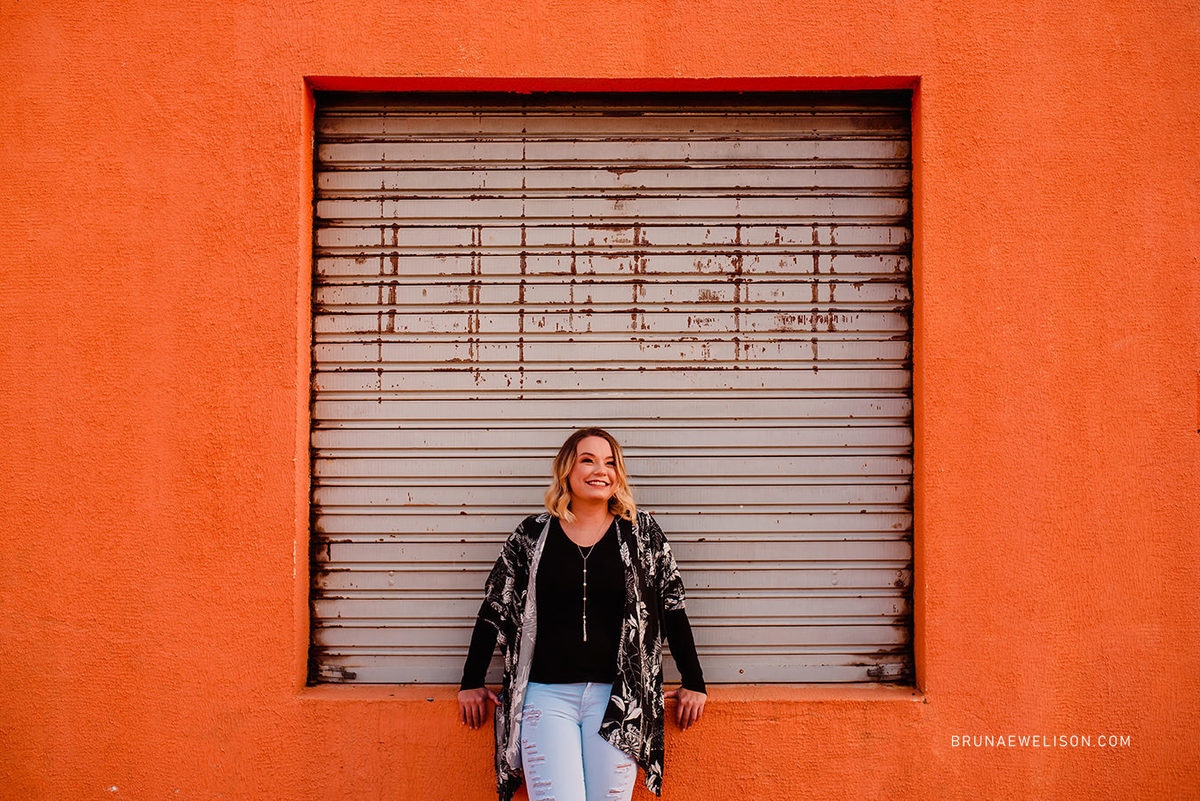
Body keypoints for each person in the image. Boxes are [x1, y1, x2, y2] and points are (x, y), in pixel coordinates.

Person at [457, 426, 707, 801]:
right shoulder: (532, 535)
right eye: (587, 460)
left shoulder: (641, 535)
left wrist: (694, 682)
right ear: (566, 472)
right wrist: (471, 681)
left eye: (610, 462)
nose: (600, 470)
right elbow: (495, 606)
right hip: (545, 698)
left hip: (619, 699)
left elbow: (671, 605)